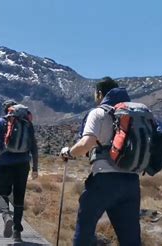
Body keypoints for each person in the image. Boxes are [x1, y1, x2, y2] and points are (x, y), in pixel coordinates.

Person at [60, 77, 141, 246]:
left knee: (85, 228)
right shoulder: (134, 116)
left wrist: (69, 152)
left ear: (99, 94)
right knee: (130, 239)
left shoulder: (99, 113)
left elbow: (86, 143)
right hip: (132, 182)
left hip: (104, 181)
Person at [0, 100, 39, 243]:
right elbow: (34, 147)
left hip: (5, 164)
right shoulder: (27, 124)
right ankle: (17, 232)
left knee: (2, 194)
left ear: (6, 110)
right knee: (19, 197)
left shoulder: (1, 122)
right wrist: (35, 168)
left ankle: (7, 217)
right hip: (23, 165)